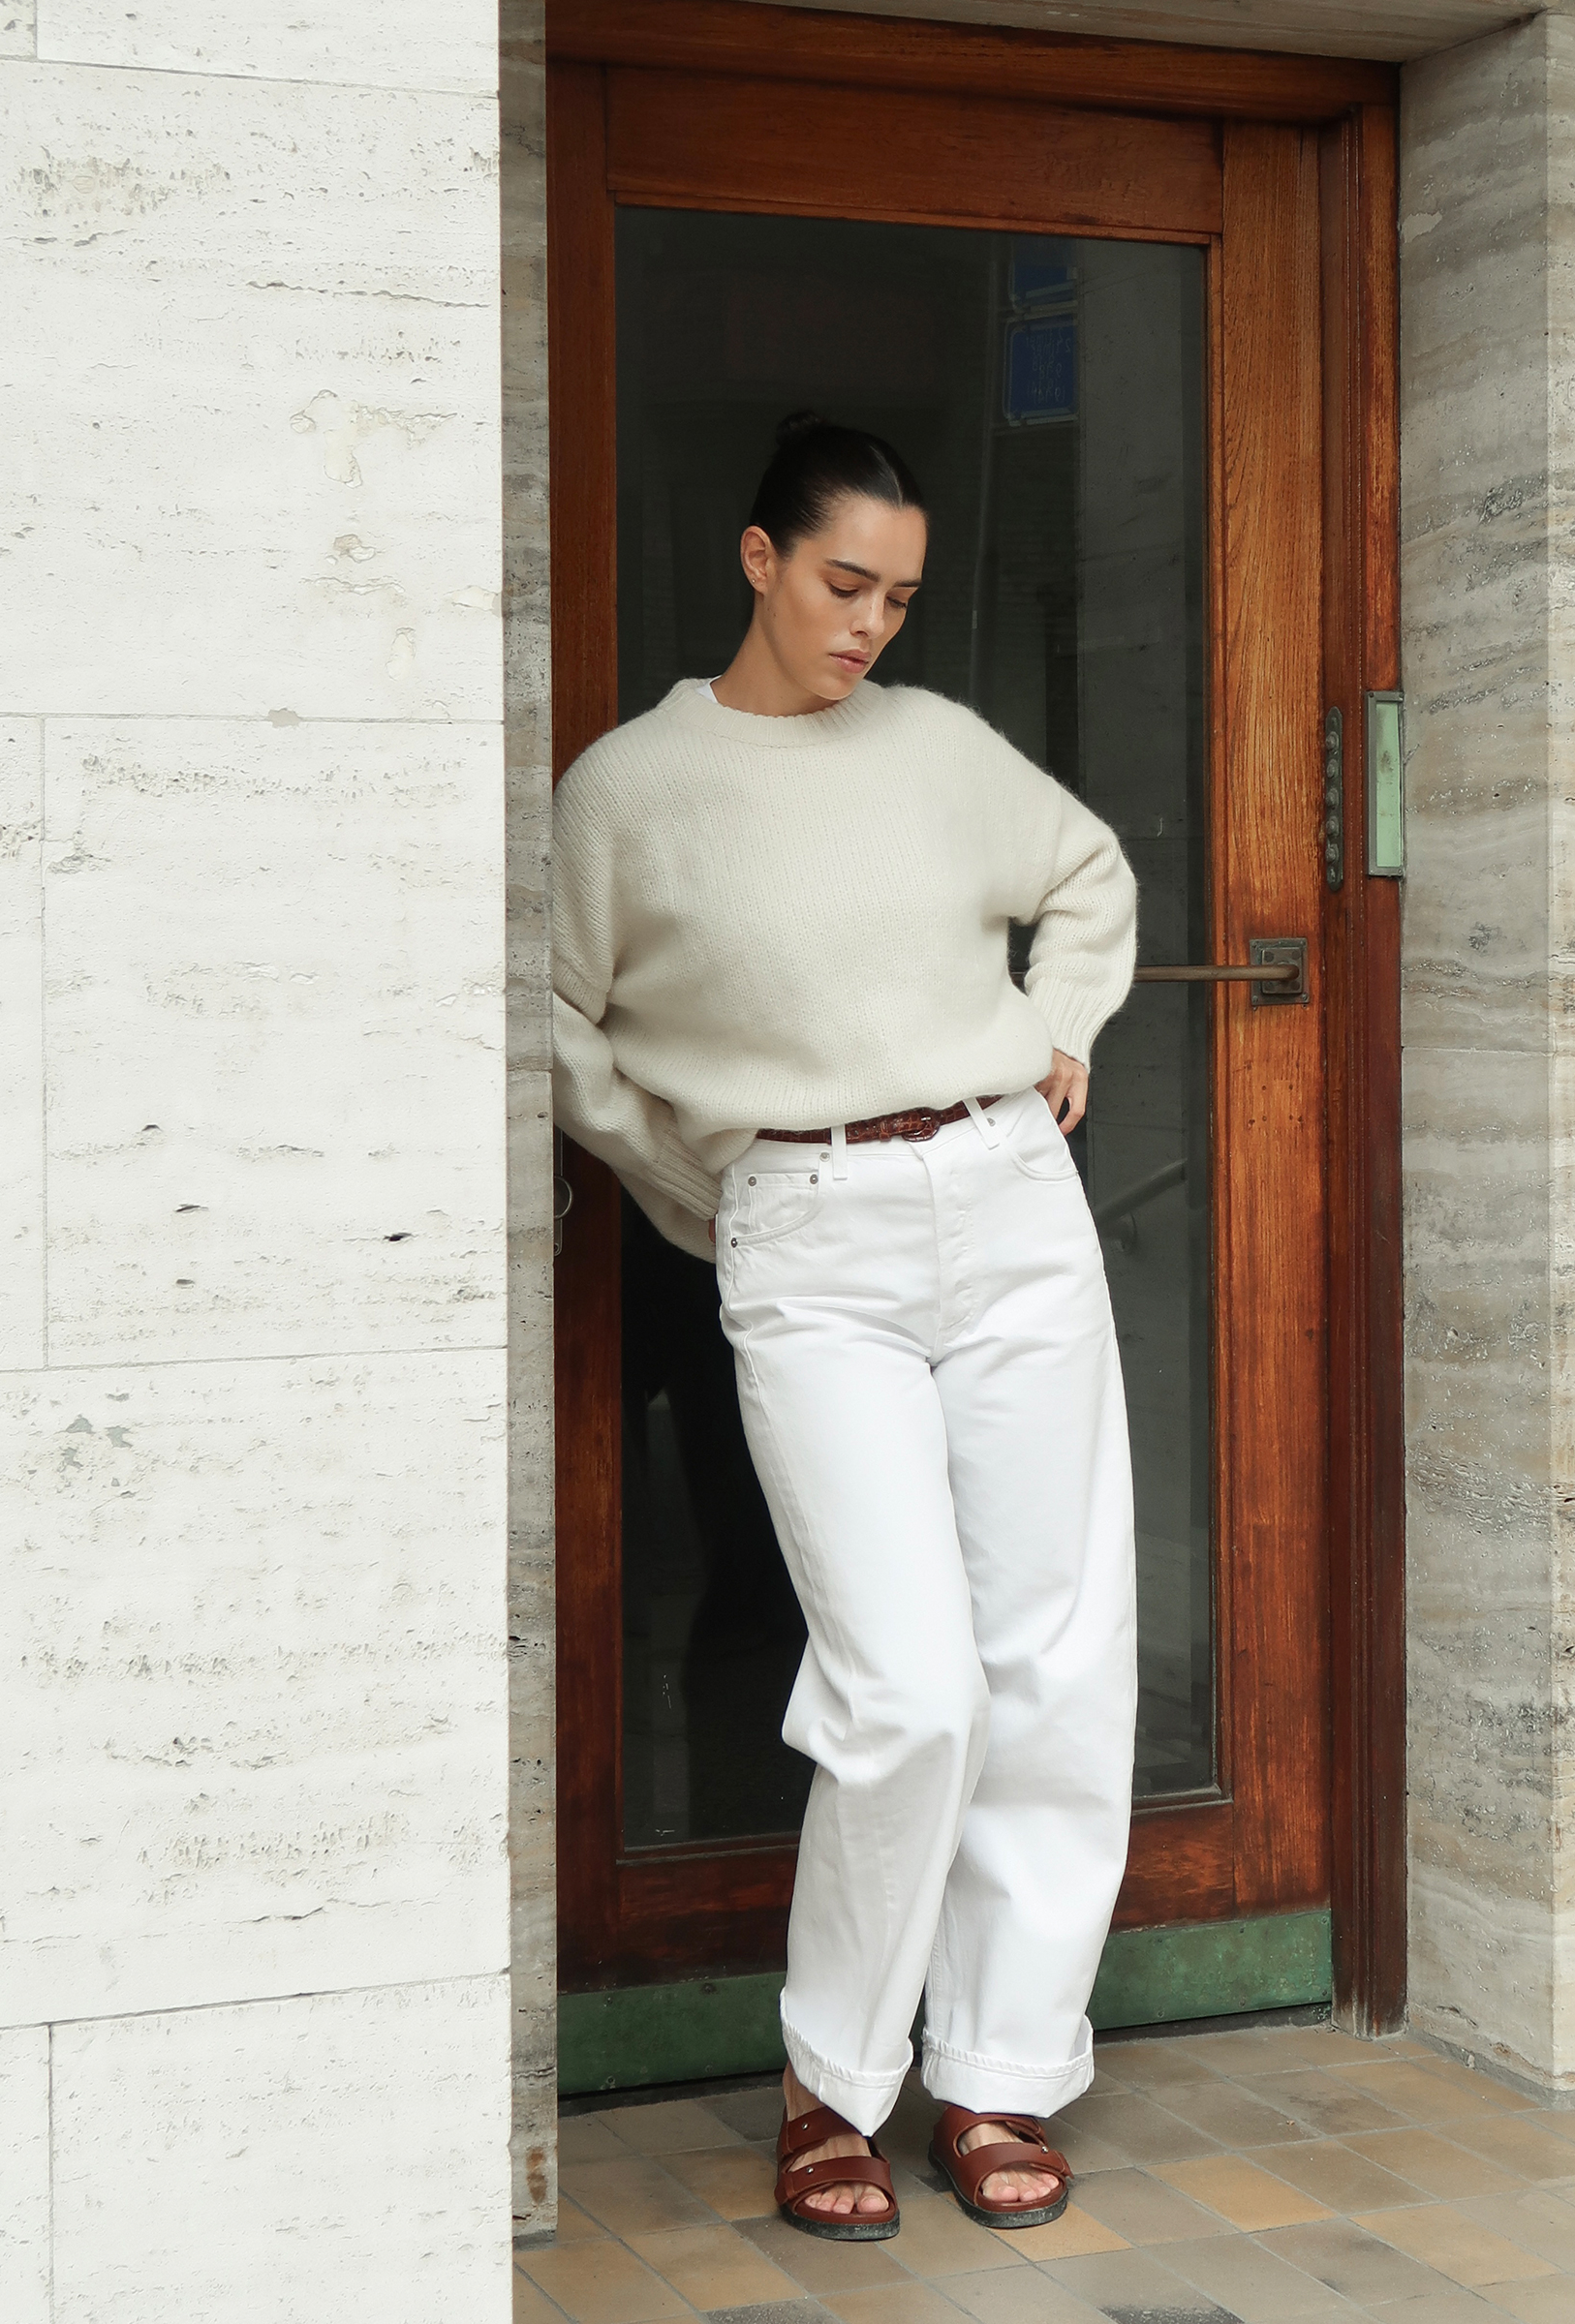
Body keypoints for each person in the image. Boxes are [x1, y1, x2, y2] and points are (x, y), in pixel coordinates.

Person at [550, 413, 1139, 2241]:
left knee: (1054, 1660)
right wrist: (699, 1189)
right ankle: (834, 2075)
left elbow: (1091, 876)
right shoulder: (629, 791)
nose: (871, 622)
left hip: (1010, 1206)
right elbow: (567, 1030)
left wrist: (1068, 1028)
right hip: (804, 1234)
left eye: (898, 594)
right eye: (841, 582)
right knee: (908, 1687)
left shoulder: (944, 748)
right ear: (758, 559)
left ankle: (999, 2071)